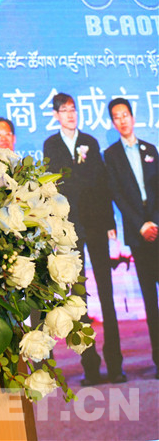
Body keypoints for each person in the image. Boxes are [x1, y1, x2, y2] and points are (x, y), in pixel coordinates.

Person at [43, 92, 124, 386]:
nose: (70, 114)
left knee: (106, 293)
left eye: (73, 109)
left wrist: (110, 223)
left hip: (96, 225)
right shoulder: (51, 145)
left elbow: (102, 183)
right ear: (56, 115)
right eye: (64, 110)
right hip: (70, 230)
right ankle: (90, 366)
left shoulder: (90, 141)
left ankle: (115, 364)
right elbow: (53, 187)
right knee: (78, 300)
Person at [104, 97, 159, 379]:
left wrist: (155, 222)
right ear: (113, 123)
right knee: (150, 299)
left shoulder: (150, 149)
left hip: (158, 228)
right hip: (138, 236)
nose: (122, 120)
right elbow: (117, 195)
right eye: (117, 116)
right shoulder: (111, 155)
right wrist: (141, 225)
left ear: (133, 117)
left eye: (125, 114)